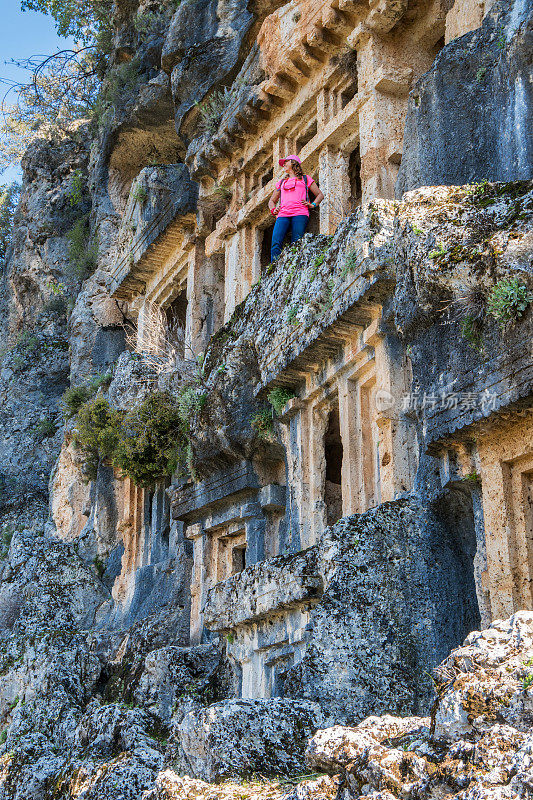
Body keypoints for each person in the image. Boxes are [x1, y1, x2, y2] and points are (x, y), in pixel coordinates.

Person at [268, 155, 324, 262]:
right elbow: (271, 201)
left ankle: (294, 265)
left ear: (294, 163)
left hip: (300, 213)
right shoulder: (281, 182)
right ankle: (273, 268)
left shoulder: (305, 178)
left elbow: (320, 195)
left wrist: (313, 204)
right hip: (283, 214)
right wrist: (273, 209)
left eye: (286, 162)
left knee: (297, 241)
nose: (283, 164)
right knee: (276, 241)